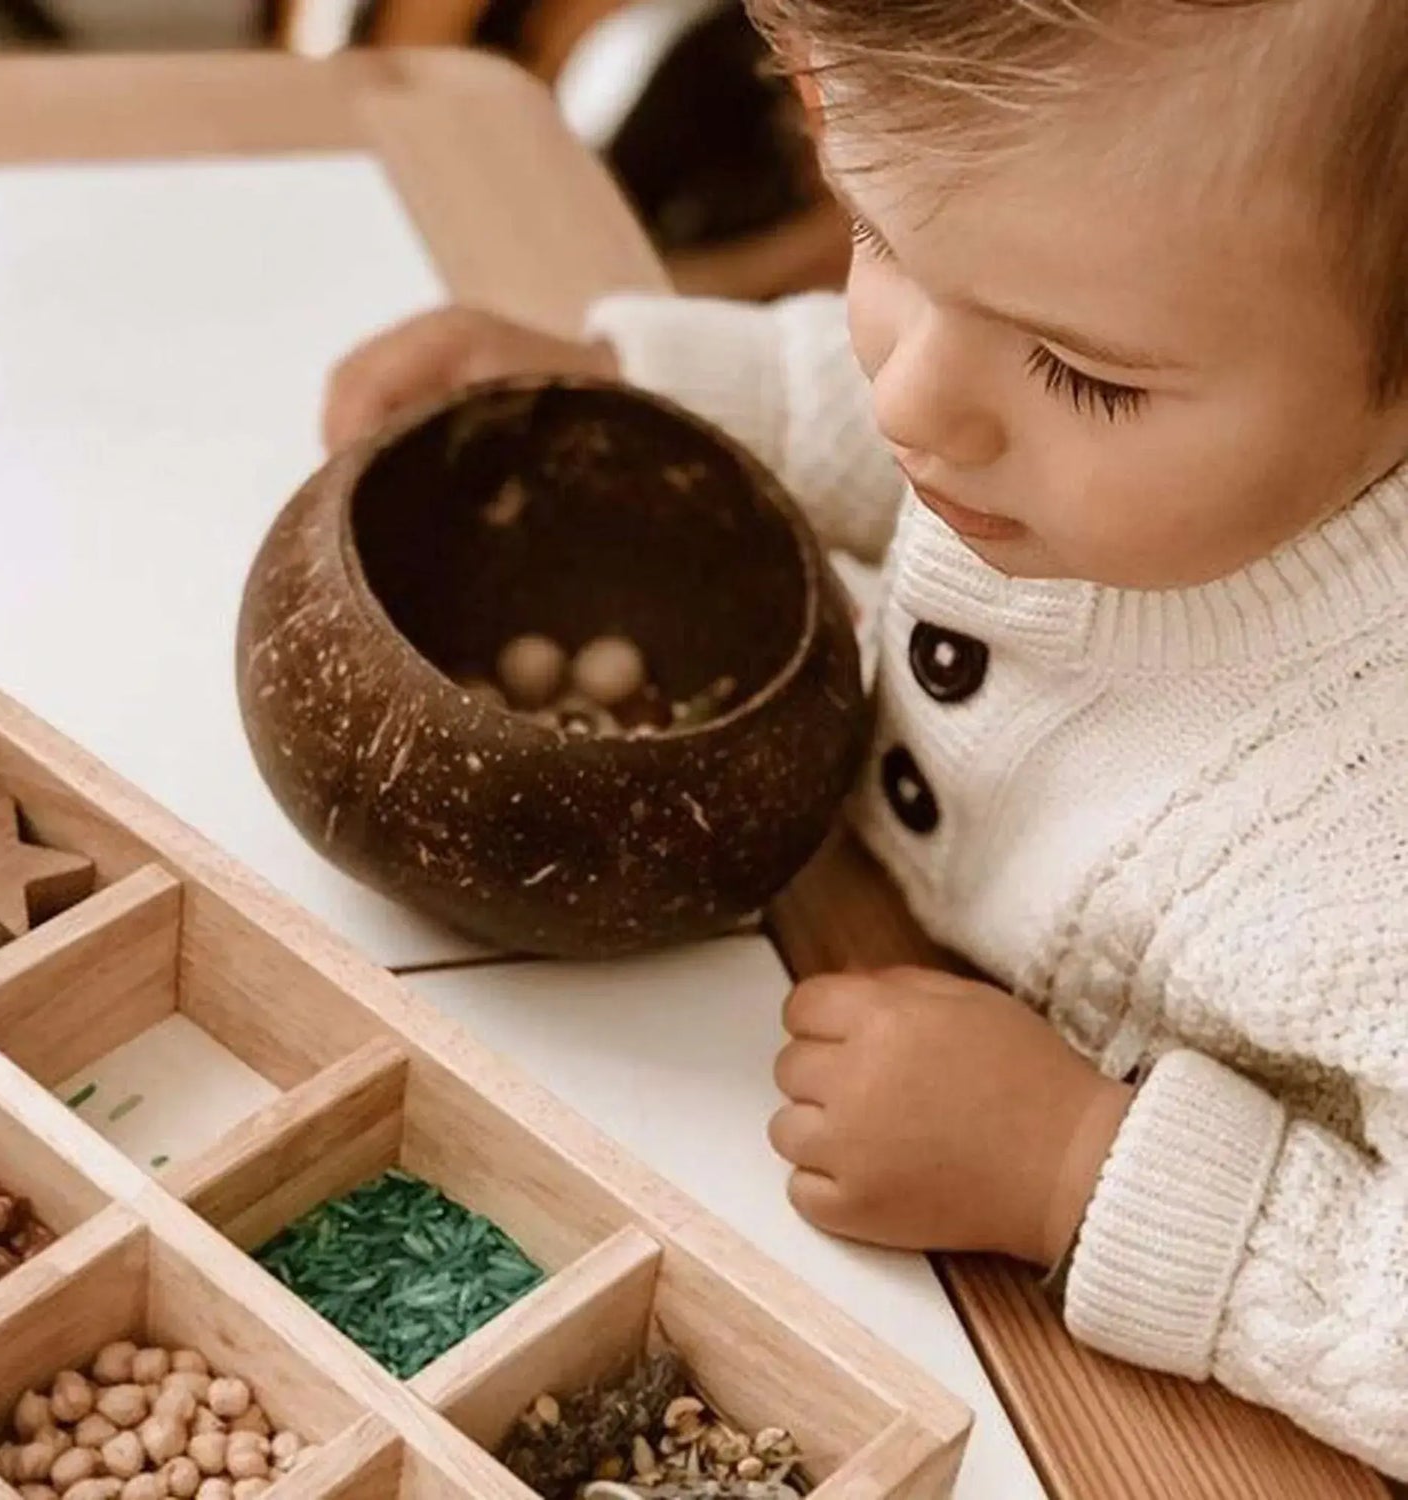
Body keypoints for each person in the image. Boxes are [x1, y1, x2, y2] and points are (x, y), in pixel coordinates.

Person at [322, 0, 1408, 1474]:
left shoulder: (1370, 843)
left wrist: (1082, 1170)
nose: (911, 398)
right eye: (875, 236)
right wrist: (659, 386)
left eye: (1084, 375)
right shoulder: (1066, 331)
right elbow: (889, 382)